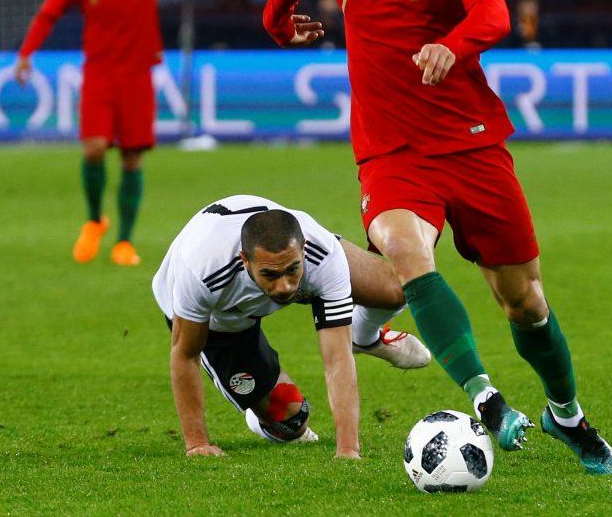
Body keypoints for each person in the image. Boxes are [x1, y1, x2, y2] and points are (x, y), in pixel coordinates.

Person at [262, 0, 612, 475]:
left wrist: (451, 46)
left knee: (524, 300)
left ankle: (565, 415)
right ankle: (486, 401)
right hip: (392, 152)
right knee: (404, 250)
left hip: (472, 145)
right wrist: (283, 25)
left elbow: (493, 15)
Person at [15, 0, 285, 266]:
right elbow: (49, 13)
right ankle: (95, 220)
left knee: (131, 158)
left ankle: (124, 241)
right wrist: (26, 54)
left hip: (137, 73)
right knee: (93, 148)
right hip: (98, 73)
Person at [152, 194, 431, 458]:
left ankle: (363, 335)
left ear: (303, 249)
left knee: (395, 288)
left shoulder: (321, 256)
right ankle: (258, 410)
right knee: (292, 423)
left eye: (292, 270)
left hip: (287, 257)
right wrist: (197, 444)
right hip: (222, 320)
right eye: (270, 274)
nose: (285, 286)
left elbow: (336, 359)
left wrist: (348, 449)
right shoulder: (202, 273)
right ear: (244, 260)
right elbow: (185, 354)